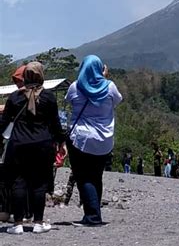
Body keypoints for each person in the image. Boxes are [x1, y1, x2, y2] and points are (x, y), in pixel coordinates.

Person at [0, 61, 65, 234]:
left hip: (18, 145)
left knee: (18, 182)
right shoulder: (48, 97)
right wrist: (62, 142)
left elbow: (3, 123)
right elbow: (55, 124)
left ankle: (18, 224)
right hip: (43, 145)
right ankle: (38, 222)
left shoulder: (14, 97)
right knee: (39, 183)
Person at [65, 55, 122, 227]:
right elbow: (117, 100)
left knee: (83, 177)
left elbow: (69, 100)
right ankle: (95, 213)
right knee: (96, 176)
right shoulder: (110, 87)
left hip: (80, 139)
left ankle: (92, 216)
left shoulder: (75, 87)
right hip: (103, 140)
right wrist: (103, 79)